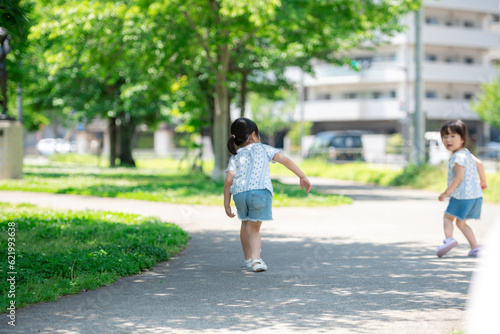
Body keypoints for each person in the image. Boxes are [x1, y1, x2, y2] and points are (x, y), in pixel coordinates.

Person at [224, 118, 311, 272]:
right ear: (253, 135)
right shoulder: (263, 148)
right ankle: (256, 260)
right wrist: (302, 176)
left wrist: (226, 203)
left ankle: (248, 259)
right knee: (254, 229)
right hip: (259, 192)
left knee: (245, 224)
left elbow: (228, 181)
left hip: (239, 195)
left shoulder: (235, 156)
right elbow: (285, 160)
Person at [437, 120, 487, 257]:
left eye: (453, 136)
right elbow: (480, 163)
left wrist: (445, 193)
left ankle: (448, 240)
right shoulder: (467, 153)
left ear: (463, 139)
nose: (448, 140)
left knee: (448, 218)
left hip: (462, 196)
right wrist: (483, 181)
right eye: (445, 137)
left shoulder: (457, 157)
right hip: (475, 196)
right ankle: (475, 248)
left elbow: (458, 178)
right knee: (461, 223)